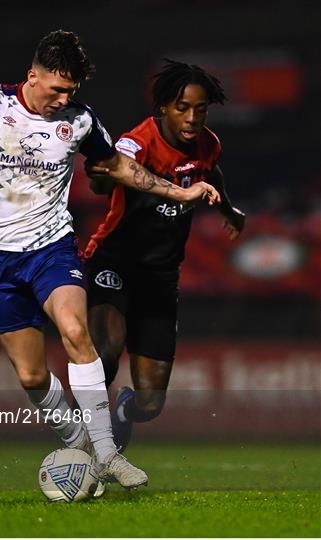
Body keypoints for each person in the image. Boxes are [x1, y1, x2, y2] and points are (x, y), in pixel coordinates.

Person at [0, 32, 221, 490]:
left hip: (52, 247)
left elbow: (118, 167)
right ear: (31, 75)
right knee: (33, 375)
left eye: (70, 91)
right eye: (56, 88)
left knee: (76, 332)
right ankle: (79, 442)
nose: (62, 99)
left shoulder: (80, 121)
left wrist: (180, 190)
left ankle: (110, 454)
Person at [84, 59, 245, 452]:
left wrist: (228, 210)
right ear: (163, 108)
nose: (192, 117)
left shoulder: (209, 144)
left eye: (200, 108)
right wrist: (100, 175)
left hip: (160, 278)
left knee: (151, 403)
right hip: (115, 261)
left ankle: (122, 412)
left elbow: (211, 172)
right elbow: (106, 173)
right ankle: (81, 443)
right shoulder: (137, 142)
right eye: (182, 107)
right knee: (105, 354)